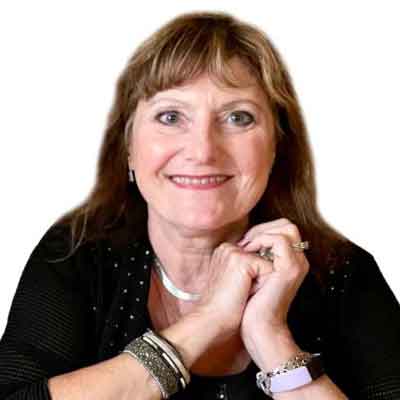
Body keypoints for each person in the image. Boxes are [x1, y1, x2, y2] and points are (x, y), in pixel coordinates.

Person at [0, 10, 399, 400]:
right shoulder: (77, 254)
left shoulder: (342, 273)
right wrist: (208, 321)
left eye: (238, 117)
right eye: (170, 116)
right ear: (128, 149)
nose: (203, 150)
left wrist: (272, 339)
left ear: (277, 147)